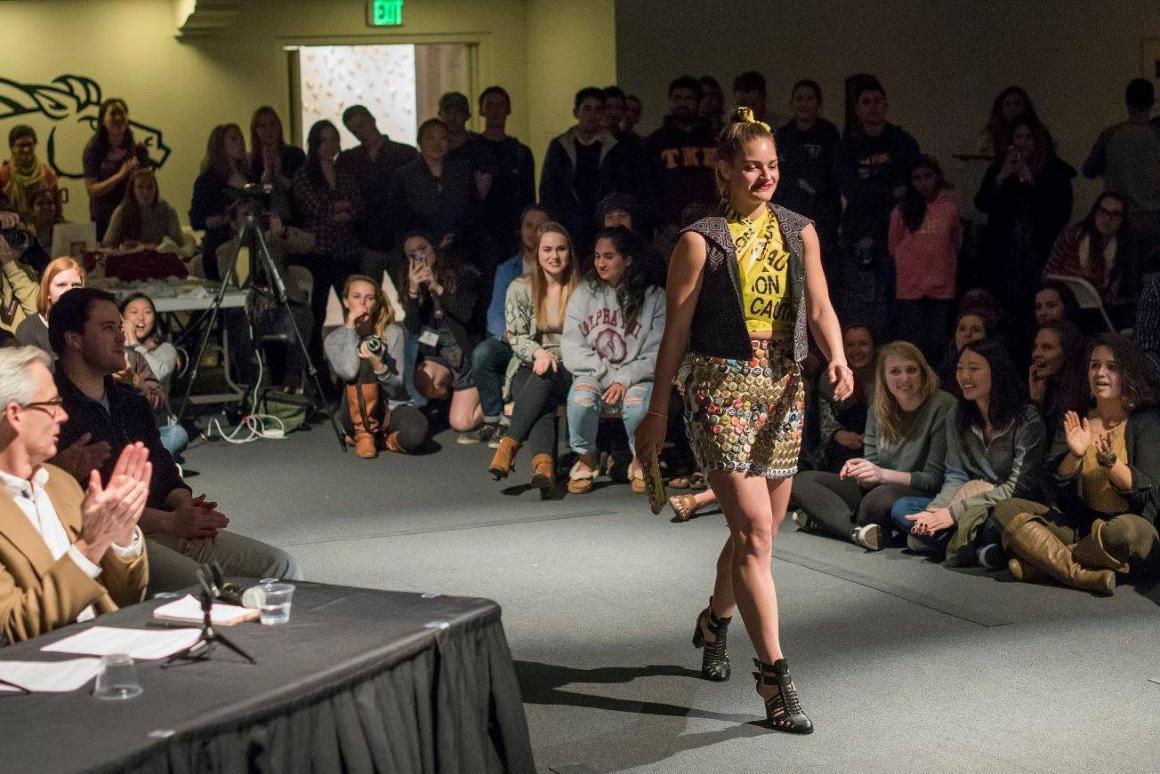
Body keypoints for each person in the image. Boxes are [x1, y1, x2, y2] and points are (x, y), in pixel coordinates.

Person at [635, 108, 854, 733]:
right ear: (725, 170)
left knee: (756, 534)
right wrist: (657, 412)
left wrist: (836, 356)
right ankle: (775, 680)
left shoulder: (799, 230)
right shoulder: (700, 240)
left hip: (784, 387)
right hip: (719, 386)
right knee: (756, 531)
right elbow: (675, 329)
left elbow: (820, 304)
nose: (765, 177)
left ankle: (715, 620)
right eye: (753, 167)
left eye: (773, 166)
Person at [49, 288, 300, 592]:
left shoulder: (130, 402)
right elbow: (82, 508)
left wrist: (185, 505)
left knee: (281, 565)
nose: (121, 337)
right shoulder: (49, 409)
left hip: (166, 524)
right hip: (115, 542)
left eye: (119, 326)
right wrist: (172, 521)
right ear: (73, 338)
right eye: (107, 328)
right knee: (206, 588)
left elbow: (164, 469)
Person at [0, 346, 150, 643]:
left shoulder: (60, 483)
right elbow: (15, 627)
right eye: (53, 403)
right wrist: (90, 546)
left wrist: (120, 536)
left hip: (114, 644)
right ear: (15, 415)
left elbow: (128, 597)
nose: (63, 415)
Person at [992, 334, 1160, 594]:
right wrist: (1075, 456)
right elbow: (1053, 485)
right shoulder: (1076, 420)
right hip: (1080, 527)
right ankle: (1078, 573)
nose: (1100, 373)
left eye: (1111, 367)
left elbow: (1150, 493)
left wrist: (1111, 464)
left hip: (1128, 527)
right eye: (1094, 365)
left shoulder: (1147, 421)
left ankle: (1046, 564)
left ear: (1129, 374)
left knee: (1128, 531)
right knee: (1007, 509)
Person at [790, 341, 954, 549]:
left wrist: (880, 474)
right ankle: (855, 532)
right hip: (881, 485)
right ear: (884, 378)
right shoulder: (879, 408)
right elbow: (873, 463)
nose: (904, 378)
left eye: (911, 370)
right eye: (895, 372)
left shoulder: (942, 405)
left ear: (923, 372)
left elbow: (933, 479)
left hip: (916, 491)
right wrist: (863, 472)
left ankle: (827, 521)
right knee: (804, 481)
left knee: (875, 503)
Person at [892, 339, 1046, 559]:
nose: (964, 377)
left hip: (1003, 504)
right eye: (960, 369)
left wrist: (953, 514)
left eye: (974, 369)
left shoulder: (1026, 419)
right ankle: (978, 548)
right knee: (902, 508)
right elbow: (955, 475)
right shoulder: (957, 414)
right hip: (965, 500)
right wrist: (936, 512)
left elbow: (1018, 488)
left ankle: (959, 543)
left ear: (996, 371)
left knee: (998, 522)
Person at [562, 226, 665, 495]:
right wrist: (608, 376)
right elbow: (572, 347)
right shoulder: (585, 293)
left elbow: (657, 352)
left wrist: (625, 378)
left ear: (627, 259)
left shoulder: (654, 298)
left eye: (608, 257)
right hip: (596, 374)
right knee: (581, 400)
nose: (600, 263)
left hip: (637, 376)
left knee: (637, 405)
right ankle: (586, 460)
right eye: (597, 256)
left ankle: (640, 461)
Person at [488, 222, 580, 490]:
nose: (554, 256)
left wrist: (552, 358)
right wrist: (538, 352)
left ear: (569, 252)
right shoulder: (520, 287)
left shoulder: (583, 290)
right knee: (541, 388)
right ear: (537, 254)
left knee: (544, 377)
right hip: (528, 364)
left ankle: (508, 446)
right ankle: (544, 468)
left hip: (571, 368)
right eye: (547, 249)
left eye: (561, 249)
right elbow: (516, 337)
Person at [835, 78, 921, 332]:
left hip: (899, 236)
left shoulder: (903, 142)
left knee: (897, 306)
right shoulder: (846, 147)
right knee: (861, 308)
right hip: (858, 235)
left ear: (886, 105)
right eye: (866, 102)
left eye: (878, 101)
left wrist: (875, 192)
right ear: (857, 109)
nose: (873, 107)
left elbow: (911, 187)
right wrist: (888, 191)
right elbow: (850, 189)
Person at [975, 118, 1075, 316]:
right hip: (1004, 254)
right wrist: (1001, 178)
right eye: (1018, 137)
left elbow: (1058, 214)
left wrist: (1030, 181)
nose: (1022, 142)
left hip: (1040, 254)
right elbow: (981, 203)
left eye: (1028, 137)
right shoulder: (998, 168)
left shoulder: (1054, 171)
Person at [471, 204, 550, 444]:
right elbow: (494, 315)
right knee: (483, 354)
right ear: (520, 229)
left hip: (544, 342)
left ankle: (515, 425)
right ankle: (493, 419)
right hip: (511, 338)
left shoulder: (555, 266)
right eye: (528, 225)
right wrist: (511, 336)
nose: (533, 231)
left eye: (540, 227)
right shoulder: (508, 269)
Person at [325, 275, 427, 458]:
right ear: (346, 302)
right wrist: (350, 328)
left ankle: (380, 440)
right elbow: (348, 372)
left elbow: (396, 390)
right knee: (362, 360)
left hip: (389, 407)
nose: (363, 302)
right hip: (354, 413)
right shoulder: (333, 339)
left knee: (417, 433)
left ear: (376, 303)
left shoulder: (393, 333)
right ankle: (363, 435)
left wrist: (379, 365)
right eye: (356, 296)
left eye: (369, 298)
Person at [293, 119, 366, 366]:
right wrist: (339, 208)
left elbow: (357, 208)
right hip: (318, 253)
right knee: (316, 313)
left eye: (334, 138)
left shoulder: (346, 174)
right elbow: (314, 207)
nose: (330, 144)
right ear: (314, 143)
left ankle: (357, 364)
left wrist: (338, 209)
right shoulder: (304, 175)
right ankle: (317, 368)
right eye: (324, 139)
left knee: (356, 311)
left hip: (347, 251)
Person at [401, 233, 483, 438]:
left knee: (461, 423)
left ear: (434, 247)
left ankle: (496, 400)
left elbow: (466, 314)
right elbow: (412, 327)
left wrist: (437, 287)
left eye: (422, 249)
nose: (419, 257)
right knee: (423, 378)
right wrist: (413, 292)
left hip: (466, 358)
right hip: (440, 358)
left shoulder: (463, 272)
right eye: (412, 254)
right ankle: (452, 398)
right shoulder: (413, 283)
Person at [889, 155, 962, 365]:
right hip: (911, 290)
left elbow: (956, 242)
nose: (923, 183)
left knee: (939, 343)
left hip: (942, 289)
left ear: (937, 177)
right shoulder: (901, 210)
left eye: (928, 176)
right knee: (914, 346)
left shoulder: (950, 208)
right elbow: (894, 247)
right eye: (917, 178)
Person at [540, 87, 629, 253]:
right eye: (587, 108)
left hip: (602, 227)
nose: (592, 115)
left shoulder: (616, 148)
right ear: (576, 112)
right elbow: (548, 189)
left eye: (598, 110)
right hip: (566, 225)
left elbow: (620, 188)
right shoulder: (560, 146)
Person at [1083, 79, 1160, 263]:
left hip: (1118, 219)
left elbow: (1089, 170)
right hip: (1153, 221)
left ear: (1127, 103)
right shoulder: (1157, 136)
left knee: (1120, 276)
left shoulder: (1110, 135)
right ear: (1152, 102)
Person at [337, 104, 419, 275]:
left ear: (372, 120)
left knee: (410, 295)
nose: (360, 132)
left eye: (361, 125)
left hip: (399, 238)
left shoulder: (405, 153)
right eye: (354, 130)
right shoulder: (348, 159)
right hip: (367, 239)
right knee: (367, 297)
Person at [388, 118, 478, 263]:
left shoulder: (462, 171)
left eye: (442, 138)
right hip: (420, 250)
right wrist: (432, 241)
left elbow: (473, 210)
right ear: (420, 141)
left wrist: (456, 237)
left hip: (460, 251)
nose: (437, 144)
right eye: (431, 138)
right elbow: (399, 217)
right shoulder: (405, 175)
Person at [773, 80, 842, 267]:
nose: (804, 103)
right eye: (799, 98)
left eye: (810, 98)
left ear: (818, 103)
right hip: (791, 213)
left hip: (822, 216)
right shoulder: (783, 136)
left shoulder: (829, 133)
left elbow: (832, 174)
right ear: (792, 103)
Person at [469, 86, 536, 261]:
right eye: (489, 105)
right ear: (481, 111)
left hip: (513, 235)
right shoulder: (470, 150)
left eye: (500, 105)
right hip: (479, 236)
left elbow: (528, 197)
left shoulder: (520, 152)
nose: (495, 110)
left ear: (508, 110)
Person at [644, 76, 719, 232]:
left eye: (689, 98)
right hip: (669, 229)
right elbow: (648, 188)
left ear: (699, 102)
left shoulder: (715, 140)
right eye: (677, 98)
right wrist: (663, 223)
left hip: (711, 224)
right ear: (670, 102)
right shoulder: (656, 141)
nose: (683, 103)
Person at [119, 293, 187, 458]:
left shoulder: (166, 349)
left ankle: (141, 460)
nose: (141, 318)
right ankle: (150, 460)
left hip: (156, 425)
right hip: (123, 426)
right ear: (122, 317)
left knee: (178, 434)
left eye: (148, 312)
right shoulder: (113, 349)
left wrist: (135, 343)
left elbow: (156, 373)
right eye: (134, 312)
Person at [1043, 191, 1133, 313]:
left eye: (1115, 214)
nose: (1107, 219)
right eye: (1103, 211)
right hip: (1066, 302)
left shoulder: (1126, 246)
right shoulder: (1072, 236)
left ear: (1122, 219)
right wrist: (1077, 280)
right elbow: (1047, 274)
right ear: (1095, 212)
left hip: (1103, 308)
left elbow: (1122, 291)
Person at [82, 98, 152, 241]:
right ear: (103, 120)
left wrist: (136, 177)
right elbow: (91, 190)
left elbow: (148, 188)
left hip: (132, 216)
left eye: (122, 113)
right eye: (113, 114)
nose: (118, 118)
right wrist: (120, 175)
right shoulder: (93, 150)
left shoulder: (138, 150)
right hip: (103, 219)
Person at [189, 123, 249, 282]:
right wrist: (218, 220)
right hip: (219, 241)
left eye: (241, 137)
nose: (241, 143)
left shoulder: (249, 174)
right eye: (234, 139)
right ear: (220, 146)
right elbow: (196, 218)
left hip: (249, 236)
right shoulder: (208, 180)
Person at [814, 324, 875, 471]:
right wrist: (838, 434)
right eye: (850, 345)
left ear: (873, 346)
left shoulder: (887, 374)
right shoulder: (831, 377)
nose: (856, 351)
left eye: (863, 344)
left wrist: (872, 437)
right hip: (843, 442)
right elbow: (823, 416)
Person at [248, 105, 306, 223]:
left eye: (272, 124)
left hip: (296, 222)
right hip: (266, 224)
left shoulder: (295, 154)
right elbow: (257, 195)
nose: (268, 130)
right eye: (262, 126)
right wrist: (268, 173)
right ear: (256, 130)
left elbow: (300, 191)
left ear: (279, 126)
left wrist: (279, 175)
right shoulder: (252, 161)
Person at [103, 168, 186, 250]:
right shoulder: (122, 211)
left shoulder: (167, 210)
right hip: (128, 259)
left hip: (159, 258)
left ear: (156, 189)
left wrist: (156, 247)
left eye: (150, 187)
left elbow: (178, 244)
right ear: (133, 190)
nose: (146, 192)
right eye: (140, 187)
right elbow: (108, 245)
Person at [1028, 320, 1085, 435]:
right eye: (1035, 347)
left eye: (1046, 348)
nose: (1036, 354)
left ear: (1067, 352)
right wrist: (1036, 399)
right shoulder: (1047, 388)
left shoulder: (1082, 390)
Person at [16, 256, 84, 354]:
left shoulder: (91, 325)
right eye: (61, 285)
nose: (70, 290)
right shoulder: (29, 330)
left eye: (76, 285)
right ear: (47, 291)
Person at [1, 125, 60, 224]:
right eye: (21, 146)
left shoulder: (47, 173)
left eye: (29, 144)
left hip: (43, 229)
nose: (26, 149)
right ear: (12, 148)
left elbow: (58, 211)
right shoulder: (3, 175)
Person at [937, 307, 993, 394]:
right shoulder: (944, 370)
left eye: (976, 330)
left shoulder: (997, 373)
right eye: (962, 329)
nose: (967, 334)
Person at [974, 86, 1041, 157]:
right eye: (1007, 104)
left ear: (1026, 107)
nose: (1013, 108)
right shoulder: (990, 135)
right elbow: (980, 158)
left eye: (1018, 104)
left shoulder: (1037, 132)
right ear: (1000, 109)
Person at [0, 217, 39, 339]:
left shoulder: (23, 270)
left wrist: (10, 265)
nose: (13, 238)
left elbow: (38, 314)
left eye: (15, 233)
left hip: (26, 351)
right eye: (5, 234)